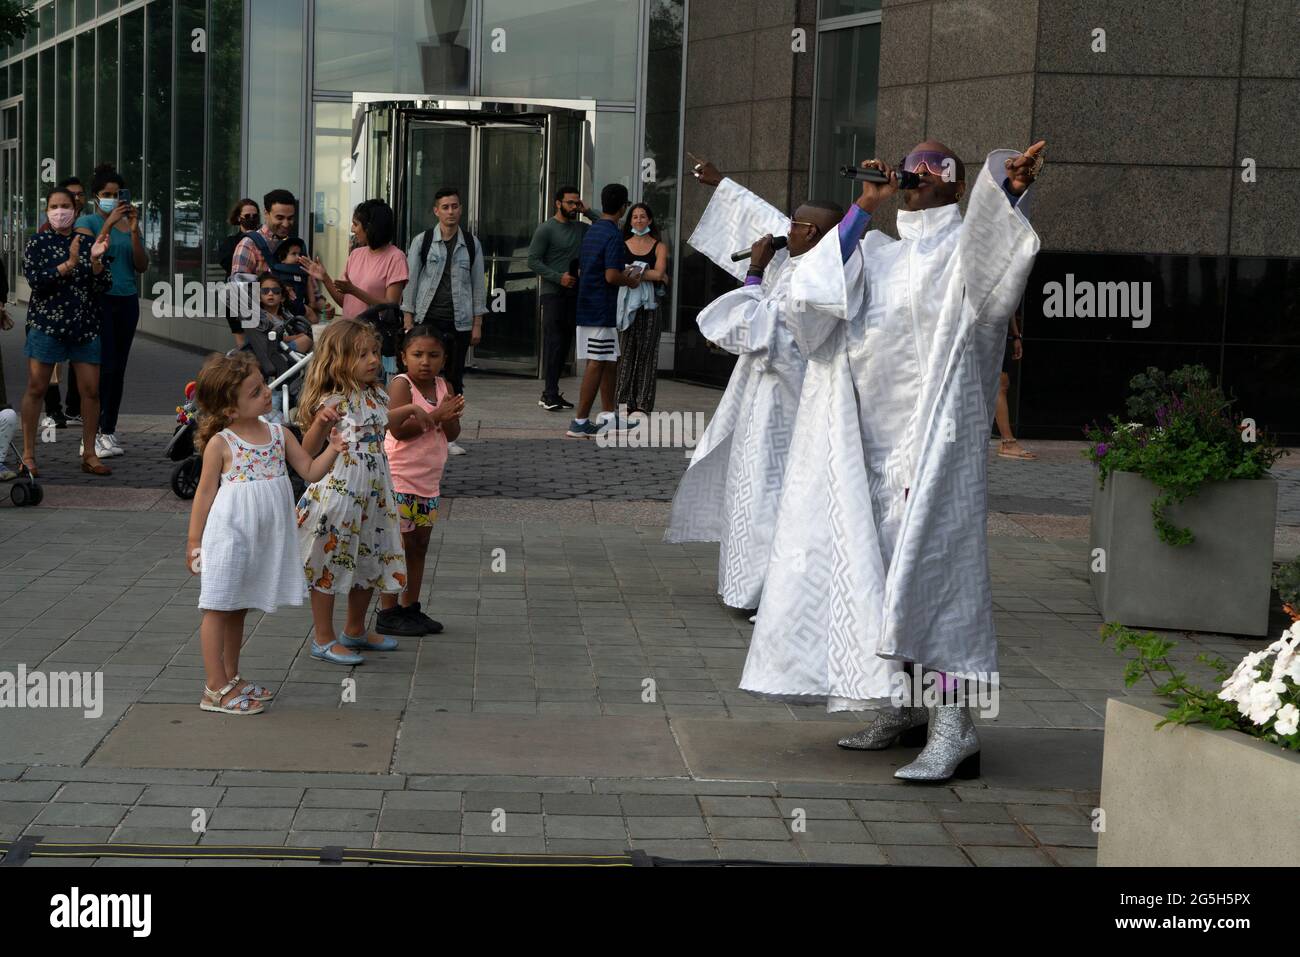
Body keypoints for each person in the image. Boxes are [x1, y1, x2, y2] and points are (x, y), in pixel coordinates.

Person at [740, 139, 1046, 782]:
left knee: (939, 579)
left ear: (956, 188)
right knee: (877, 576)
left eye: (928, 174)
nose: (913, 180)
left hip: (935, 447)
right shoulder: (876, 253)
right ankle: (904, 708)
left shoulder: (961, 251)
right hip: (867, 449)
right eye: (909, 172)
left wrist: (1010, 193)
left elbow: (997, 266)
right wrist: (863, 207)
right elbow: (808, 311)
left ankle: (956, 728)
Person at [665, 159, 847, 613]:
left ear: (817, 235)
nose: (787, 230)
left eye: (797, 225)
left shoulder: (814, 283)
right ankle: (743, 583)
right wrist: (722, 183)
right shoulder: (801, 262)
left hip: (785, 408)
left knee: (769, 496)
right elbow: (765, 218)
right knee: (749, 493)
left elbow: (749, 327)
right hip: (762, 402)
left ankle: (761, 593)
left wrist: (753, 274)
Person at [185, 352, 345, 715]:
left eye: (263, 385)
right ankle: (214, 687)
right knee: (216, 608)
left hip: (260, 539)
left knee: (238, 609)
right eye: (256, 391)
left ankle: (232, 676)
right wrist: (194, 542)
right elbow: (205, 494)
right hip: (229, 537)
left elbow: (309, 471)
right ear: (230, 409)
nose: (266, 394)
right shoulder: (221, 443)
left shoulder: (278, 433)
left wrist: (334, 448)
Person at [295, 318, 434, 665]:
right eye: (362, 355)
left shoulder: (373, 393)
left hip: (374, 493)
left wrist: (413, 408)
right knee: (328, 561)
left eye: (374, 352)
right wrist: (320, 423)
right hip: (340, 494)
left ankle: (355, 629)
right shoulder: (332, 400)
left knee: (370, 557)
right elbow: (306, 450)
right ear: (338, 359)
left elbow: (383, 419)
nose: (373, 360)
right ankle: (322, 638)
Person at [375, 327, 464, 637]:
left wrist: (449, 416)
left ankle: (410, 606)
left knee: (419, 545)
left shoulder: (443, 385)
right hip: (400, 479)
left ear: (444, 360)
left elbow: (452, 434)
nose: (425, 362)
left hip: (428, 481)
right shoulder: (402, 385)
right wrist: (439, 415)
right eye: (417, 355)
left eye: (433, 355)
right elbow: (398, 430)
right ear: (403, 358)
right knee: (396, 545)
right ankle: (388, 610)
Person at [20, 187, 112, 477]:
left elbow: (103, 285)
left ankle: (89, 453)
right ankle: (28, 455)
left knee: (91, 391)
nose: (60, 211)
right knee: (37, 387)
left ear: (75, 209)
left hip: (84, 325)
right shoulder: (38, 242)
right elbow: (36, 280)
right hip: (47, 324)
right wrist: (68, 265)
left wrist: (95, 262)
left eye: (65, 205)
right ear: (47, 210)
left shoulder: (88, 242)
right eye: (54, 206)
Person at [400, 187, 485, 454]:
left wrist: (477, 323)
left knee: (453, 379)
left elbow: (478, 284)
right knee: (423, 375)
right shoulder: (423, 241)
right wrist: (408, 317)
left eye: (455, 206)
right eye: (445, 207)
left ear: (461, 209)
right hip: (428, 318)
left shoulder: (471, 244)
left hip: (459, 321)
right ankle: (424, 424)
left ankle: (448, 435)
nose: (451, 211)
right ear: (436, 211)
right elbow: (411, 281)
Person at [75, 163, 148, 461]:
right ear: (96, 197)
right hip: (100, 299)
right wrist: (108, 223)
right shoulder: (89, 221)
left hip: (127, 299)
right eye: (107, 194)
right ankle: (90, 437)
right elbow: (87, 253)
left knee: (118, 368)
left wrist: (132, 231)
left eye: (117, 194)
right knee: (103, 366)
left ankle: (109, 429)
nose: (113, 199)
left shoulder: (129, 223)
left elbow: (141, 265)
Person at [565, 183, 640, 438]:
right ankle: (580, 421)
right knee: (597, 362)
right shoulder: (614, 235)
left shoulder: (594, 231)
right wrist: (630, 279)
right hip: (601, 308)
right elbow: (611, 275)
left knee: (609, 360)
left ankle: (609, 416)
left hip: (587, 304)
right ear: (623, 207)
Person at [308, 199, 407, 383]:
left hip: (373, 342)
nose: (353, 229)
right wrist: (325, 278)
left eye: (356, 224)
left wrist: (354, 290)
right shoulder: (356, 254)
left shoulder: (396, 257)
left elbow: (391, 305)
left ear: (371, 226)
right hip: (348, 339)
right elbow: (345, 302)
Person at [527, 185, 597, 412]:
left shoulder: (580, 227)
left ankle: (552, 392)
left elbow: (606, 228)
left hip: (574, 294)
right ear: (558, 203)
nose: (574, 206)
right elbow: (533, 261)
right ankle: (549, 393)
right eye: (570, 202)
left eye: (577, 202)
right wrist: (559, 277)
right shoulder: (546, 229)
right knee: (554, 343)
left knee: (565, 344)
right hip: (553, 293)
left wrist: (588, 212)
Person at [40, 176, 88, 428]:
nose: (75, 200)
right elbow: (39, 276)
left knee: (79, 363)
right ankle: (53, 411)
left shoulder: (86, 230)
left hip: (80, 313)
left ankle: (73, 409)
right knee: (52, 367)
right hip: (51, 313)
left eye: (79, 195)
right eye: (70, 196)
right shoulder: (44, 235)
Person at [615, 203, 670, 416]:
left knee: (647, 354)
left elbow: (660, 274)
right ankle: (622, 402)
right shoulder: (621, 244)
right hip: (626, 305)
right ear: (630, 221)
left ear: (649, 220)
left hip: (651, 306)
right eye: (635, 217)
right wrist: (648, 271)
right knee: (627, 353)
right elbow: (618, 272)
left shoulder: (659, 246)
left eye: (643, 216)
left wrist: (631, 271)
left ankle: (643, 404)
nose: (639, 220)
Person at [995, 308, 1035, 459]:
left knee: (1001, 384)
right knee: (1000, 383)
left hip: (998, 331)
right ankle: (1007, 442)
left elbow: (1008, 303)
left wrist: (1015, 335)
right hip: (983, 330)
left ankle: (1007, 442)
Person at [230, 188, 296, 279]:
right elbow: (239, 290)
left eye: (290, 218)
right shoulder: (249, 245)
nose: (286, 224)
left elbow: (313, 290)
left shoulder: (296, 246)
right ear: (266, 213)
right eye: (280, 218)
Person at [271, 236, 321, 323]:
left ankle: (314, 334)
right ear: (282, 258)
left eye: (299, 254)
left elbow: (309, 288)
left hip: (299, 305)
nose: (298, 257)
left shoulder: (303, 272)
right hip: (282, 307)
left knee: (313, 316)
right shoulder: (277, 271)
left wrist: (312, 302)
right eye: (294, 254)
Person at [217, 198, 260, 280]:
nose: (251, 219)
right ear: (239, 218)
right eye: (247, 216)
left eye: (255, 216)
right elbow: (230, 265)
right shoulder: (229, 243)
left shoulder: (263, 240)